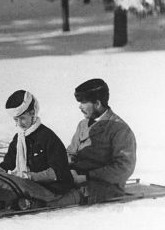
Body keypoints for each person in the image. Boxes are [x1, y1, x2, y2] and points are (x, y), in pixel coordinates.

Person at [48, 78, 136, 207]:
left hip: (104, 188)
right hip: (75, 180)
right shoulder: (83, 125)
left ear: (97, 104)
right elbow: (71, 152)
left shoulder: (120, 130)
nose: (80, 107)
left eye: (83, 102)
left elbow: (123, 168)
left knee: (51, 203)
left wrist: (87, 176)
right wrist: (66, 164)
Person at [0, 90, 73, 194]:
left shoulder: (47, 137)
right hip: (31, 184)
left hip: (53, 187)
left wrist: (30, 177)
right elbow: (9, 160)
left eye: (22, 118)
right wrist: (2, 169)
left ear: (32, 113)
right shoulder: (19, 138)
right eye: (16, 119)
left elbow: (58, 172)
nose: (19, 124)